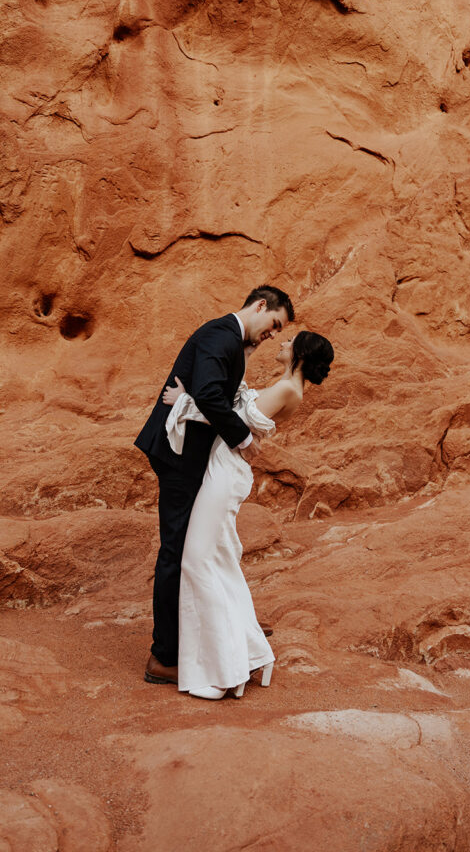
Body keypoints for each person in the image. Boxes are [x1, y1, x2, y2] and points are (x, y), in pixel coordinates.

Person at [134, 285, 295, 685]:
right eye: (273, 324)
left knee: (198, 544)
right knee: (177, 549)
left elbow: (212, 391)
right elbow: (207, 393)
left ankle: (226, 624)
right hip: (179, 455)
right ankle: (163, 656)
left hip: (190, 453)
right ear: (260, 306)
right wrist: (243, 439)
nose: (273, 334)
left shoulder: (230, 340)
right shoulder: (220, 335)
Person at [163, 330, 334, 699]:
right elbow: (237, 411)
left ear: (301, 354)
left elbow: (229, 419)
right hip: (225, 467)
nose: (283, 342)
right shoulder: (287, 385)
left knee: (195, 562)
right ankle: (252, 653)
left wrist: (185, 401)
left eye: (291, 341)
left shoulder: (290, 388)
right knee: (220, 563)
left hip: (225, 471)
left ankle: (226, 673)